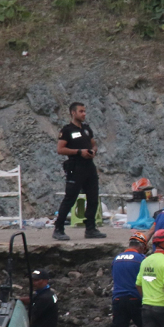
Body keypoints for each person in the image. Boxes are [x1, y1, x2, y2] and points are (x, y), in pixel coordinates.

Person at [53, 102, 106, 241]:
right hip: (75, 167)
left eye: (84, 111)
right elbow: (60, 149)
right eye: (81, 111)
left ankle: (90, 228)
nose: (84, 114)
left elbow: (93, 144)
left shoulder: (87, 129)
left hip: (89, 166)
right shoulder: (67, 130)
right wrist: (79, 152)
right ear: (73, 113)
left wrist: (93, 151)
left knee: (93, 198)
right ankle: (58, 228)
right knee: (70, 198)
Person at [105, 232, 148, 327]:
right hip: (136, 300)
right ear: (141, 246)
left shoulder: (116, 259)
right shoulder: (141, 259)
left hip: (118, 301)